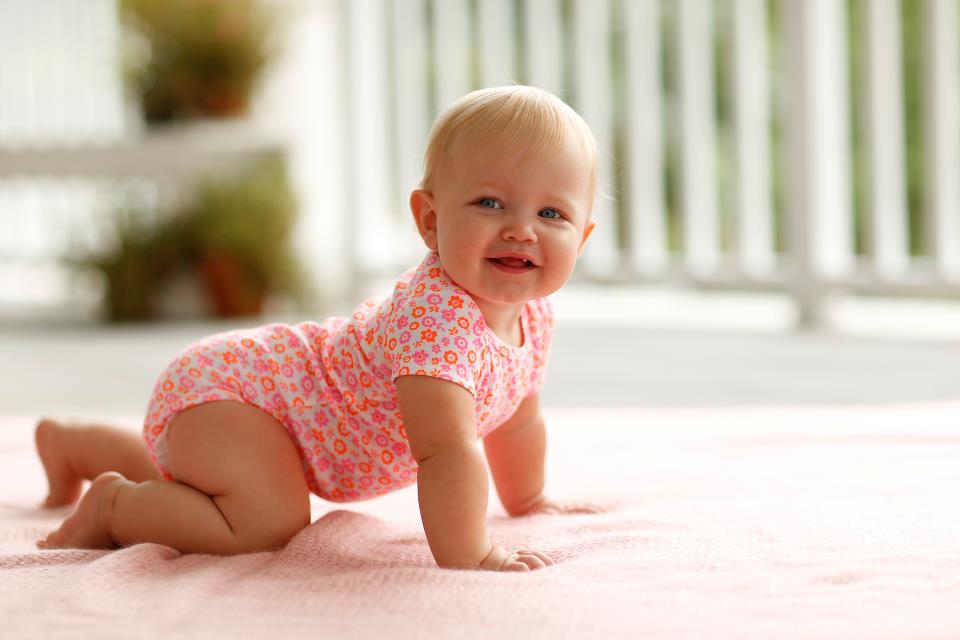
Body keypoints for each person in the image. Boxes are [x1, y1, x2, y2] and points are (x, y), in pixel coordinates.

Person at [34, 85, 603, 572]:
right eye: (490, 203)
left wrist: (528, 498)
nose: (521, 231)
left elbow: (517, 413)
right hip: (240, 395)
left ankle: (72, 445)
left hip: (253, 409)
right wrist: (473, 555)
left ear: (581, 237)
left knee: (202, 475)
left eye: (551, 214)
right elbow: (448, 451)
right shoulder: (438, 325)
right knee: (264, 522)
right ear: (430, 220)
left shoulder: (534, 313)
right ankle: (113, 506)